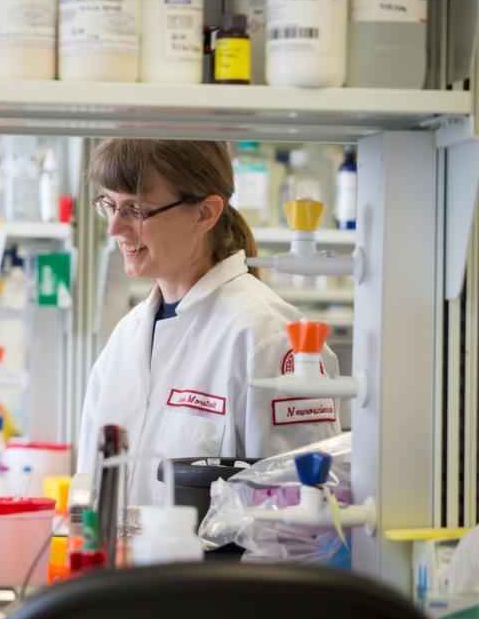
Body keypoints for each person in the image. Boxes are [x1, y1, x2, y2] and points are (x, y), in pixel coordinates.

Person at [76, 139, 342, 505]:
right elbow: (90, 485)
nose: (115, 229)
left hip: (217, 564)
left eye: (136, 209)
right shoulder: (127, 336)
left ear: (205, 213)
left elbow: (303, 518)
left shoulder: (267, 335)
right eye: (110, 205)